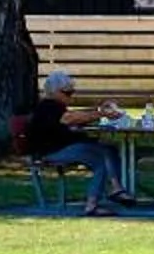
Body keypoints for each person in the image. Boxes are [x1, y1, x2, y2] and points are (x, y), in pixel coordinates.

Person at [17, 70, 124, 215]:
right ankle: (93, 204)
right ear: (54, 92)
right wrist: (101, 113)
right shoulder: (48, 106)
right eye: (67, 93)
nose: (70, 97)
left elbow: (74, 116)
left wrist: (97, 111)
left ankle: (116, 188)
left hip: (60, 147)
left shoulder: (55, 106)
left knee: (108, 150)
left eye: (72, 93)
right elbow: (70, 118)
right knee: (99, 157)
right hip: (51, 151)